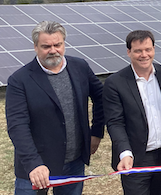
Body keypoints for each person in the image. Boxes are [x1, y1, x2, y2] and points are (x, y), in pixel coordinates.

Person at [5, 20, 104, 195]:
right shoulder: (19, 80)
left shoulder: (80, 67)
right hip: (35, 169)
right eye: (46, 46)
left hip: (74, 163)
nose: (53, 50)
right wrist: (33, 163)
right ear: (35, 47)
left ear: (64, 43)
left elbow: (101, 97)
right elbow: (17, 126)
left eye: (57, 44)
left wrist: (96, 132)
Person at [103, 30, 161, 195]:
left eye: (148, 49)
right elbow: (115, 123)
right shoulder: (115, 83)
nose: (144, 55)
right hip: (134, 158)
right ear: (129, 52)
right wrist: (125, 153)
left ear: (154, 49)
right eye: (138, 50)